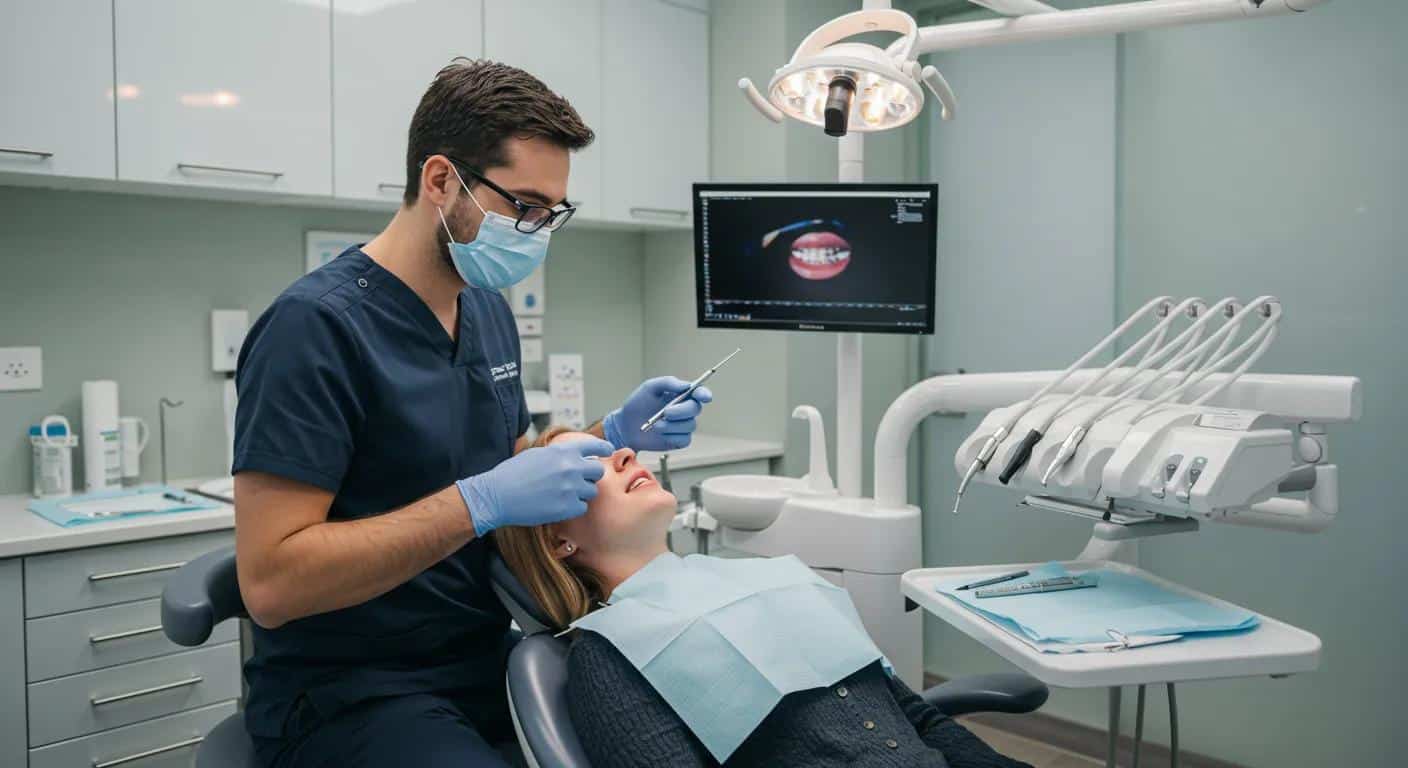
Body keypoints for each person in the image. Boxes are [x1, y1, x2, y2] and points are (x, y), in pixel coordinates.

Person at [232, 60, 713, 768]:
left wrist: (609, 439)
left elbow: (510, 478)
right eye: (524, 205)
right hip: (351, 690)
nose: (538, 230)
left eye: (553, 212)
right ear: (439, 181)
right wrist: (476, 502)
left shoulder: (485, 309)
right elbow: (270, 584)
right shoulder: (314, 330)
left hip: (491, 654)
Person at [496, 428, 1035, 768]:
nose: (626, 454)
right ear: (557, 539)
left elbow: (918, 721)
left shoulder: (766, 580)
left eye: (612, 448)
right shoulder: (607, 657)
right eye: (587, 469)